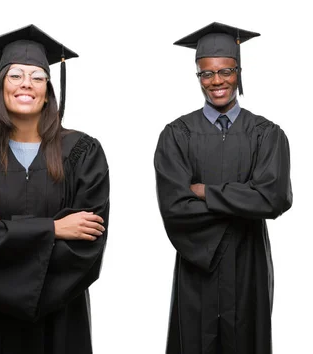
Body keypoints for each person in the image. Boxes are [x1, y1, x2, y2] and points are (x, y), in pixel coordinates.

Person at [0, 24, 110, 354]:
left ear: (48, 89)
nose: (26, 84)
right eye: (16, 75)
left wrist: (5, 229)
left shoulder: (83, 153)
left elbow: (89, 240)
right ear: (1, 88)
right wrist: (54, 228)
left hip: (61, 316)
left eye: (37, 76)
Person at [154, 22, 292, 354]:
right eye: (207, 74)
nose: (217, 81)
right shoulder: (176, 135)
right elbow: (175, 206)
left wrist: (207, 192)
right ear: (198, 75)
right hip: (198, 263)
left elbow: (273, 198)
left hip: (249, 264)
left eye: (226, 71)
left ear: (239, 71)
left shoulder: (267, 134)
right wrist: (244, 201)